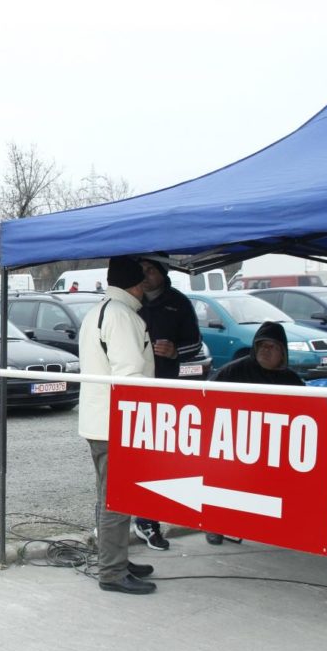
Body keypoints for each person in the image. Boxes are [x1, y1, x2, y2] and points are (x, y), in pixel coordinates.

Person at [78, 257, 157, 594]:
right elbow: (130, 377)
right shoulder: (123, 316)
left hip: (99, 420)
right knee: (117, 500)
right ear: (137, 284)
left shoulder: (97, 311)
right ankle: (112, 571)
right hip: (116, 425)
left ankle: (114, 558)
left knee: (108, 496)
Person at [205, 321, 304, 545]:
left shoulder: (291, 380)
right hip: (235, 441)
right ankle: (216, 525)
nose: (265, 351)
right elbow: (207, 396)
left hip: (273, 445)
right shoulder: (233, 370)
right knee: (224, 481)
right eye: (262, 345)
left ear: (283, 352)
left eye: (272, 347)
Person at [131, 254, 203, 550]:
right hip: (131, 391)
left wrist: (175, 351)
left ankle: (149, 521)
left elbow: (196, 343)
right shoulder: (130, 302)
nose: (146, 275)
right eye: (142, 270)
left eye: (151, 270)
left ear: (163, 272)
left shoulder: (179, 303)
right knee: (130, 459)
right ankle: (117, 519)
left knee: (157, 459)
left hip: (163, 390)